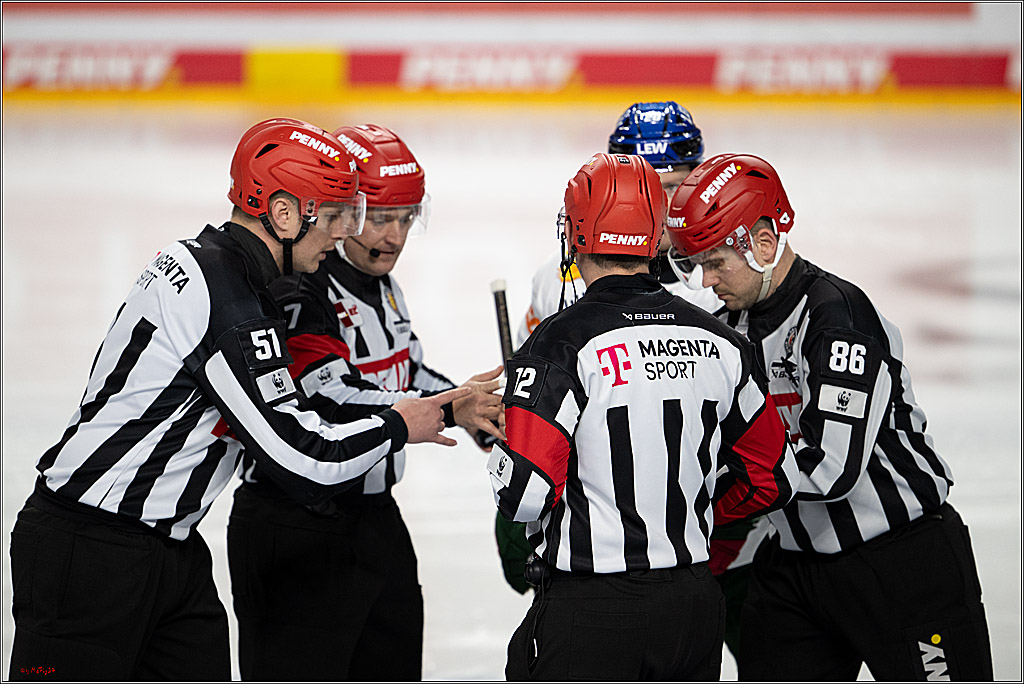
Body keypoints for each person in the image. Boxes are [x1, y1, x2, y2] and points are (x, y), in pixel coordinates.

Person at [6, 118, 469, 681]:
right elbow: (303, 457)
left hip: (171, 549)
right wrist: (402, 421)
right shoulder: (229, 303)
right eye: (334, 216)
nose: (343, 234)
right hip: (92, 551)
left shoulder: (221, 271)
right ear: (282, 214)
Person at [665, 153, 994, 681]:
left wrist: (707, 496)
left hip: (903, 562)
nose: (704, 282)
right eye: (697, 264)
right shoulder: (723, 330)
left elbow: (831, 466)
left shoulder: (837, 317)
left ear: (763, 244)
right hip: (794, 568)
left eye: (716, 263)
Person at [488, 152, 799, 680]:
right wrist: (686, 507)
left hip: (591, 607)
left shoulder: (561, 341)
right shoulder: (722, 340)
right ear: (656, 233)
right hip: (693, 606)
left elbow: (523, 494)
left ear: (576, 235)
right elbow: (772, 476)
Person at [226, 122, 504, 681]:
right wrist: (450, 409)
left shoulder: (383, 284)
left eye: (407, 218)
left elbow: (408, 367)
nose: (395, 236)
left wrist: (478, 410)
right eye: (379, 218)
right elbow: (327, 396)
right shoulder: (301, 285)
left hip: (374, 519)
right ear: (344, 211)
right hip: (298, 526)